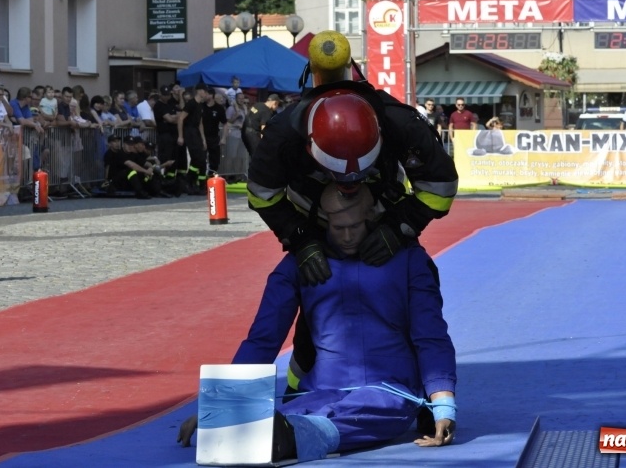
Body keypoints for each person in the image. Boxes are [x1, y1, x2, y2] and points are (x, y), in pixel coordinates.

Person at [177, 184, 456, 461]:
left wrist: (443, 405)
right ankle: (281, 432)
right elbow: (263, 337)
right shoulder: (298, 264)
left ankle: (291, 436)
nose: (347, 237)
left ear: (372, 216)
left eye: (355, 226)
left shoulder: (410, 260)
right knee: (296, 412)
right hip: (319, 390)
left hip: (390, 389)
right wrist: (220, 410)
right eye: (338, 228)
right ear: (324, 221)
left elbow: (430, 335)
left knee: (373, 409)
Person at [246, 31, 458, 396]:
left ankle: (423, 389)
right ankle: (301, 386)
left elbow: (440, 189)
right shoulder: (282, 134)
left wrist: (397, 228)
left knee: (411, 307)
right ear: (310, 143)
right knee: (316, 318)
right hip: (315, 232)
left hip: (383, 226)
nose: (350, 183)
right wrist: (302, 239)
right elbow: (263, 196)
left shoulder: (400, 123)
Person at [177, 83, 208, 194]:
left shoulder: (200, 105)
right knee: (196, 157)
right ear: (200, 91)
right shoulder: (191, 104)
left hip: (196, 132)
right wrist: (180, 136)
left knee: (200, 159)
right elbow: (181, 119)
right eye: (205, 91)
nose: (206, 94)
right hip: (189, 132)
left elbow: (200, 123)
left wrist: (203, 139)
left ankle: (196, 184)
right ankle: (188, 181)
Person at [242, 93, 281, 158]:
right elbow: (264, 128)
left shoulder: (257, 105)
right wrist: (264, 141)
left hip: (245, 131)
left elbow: (248, 116)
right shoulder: (267, 111)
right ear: (275, 103)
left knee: (251, 155)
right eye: (278, 105)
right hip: (253, 134)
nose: (277, 107)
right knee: (257, 155)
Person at [202, 89, 225, 175]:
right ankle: (200, 178)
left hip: (214, 137)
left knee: (215, 159)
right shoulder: (201, 106)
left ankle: (212, 176)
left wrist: (223, 138)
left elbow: (225, 123)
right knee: (200, 158)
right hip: (201, 136)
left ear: (211, 95)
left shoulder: (219, 108)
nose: (204, 96)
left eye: (206, 94)